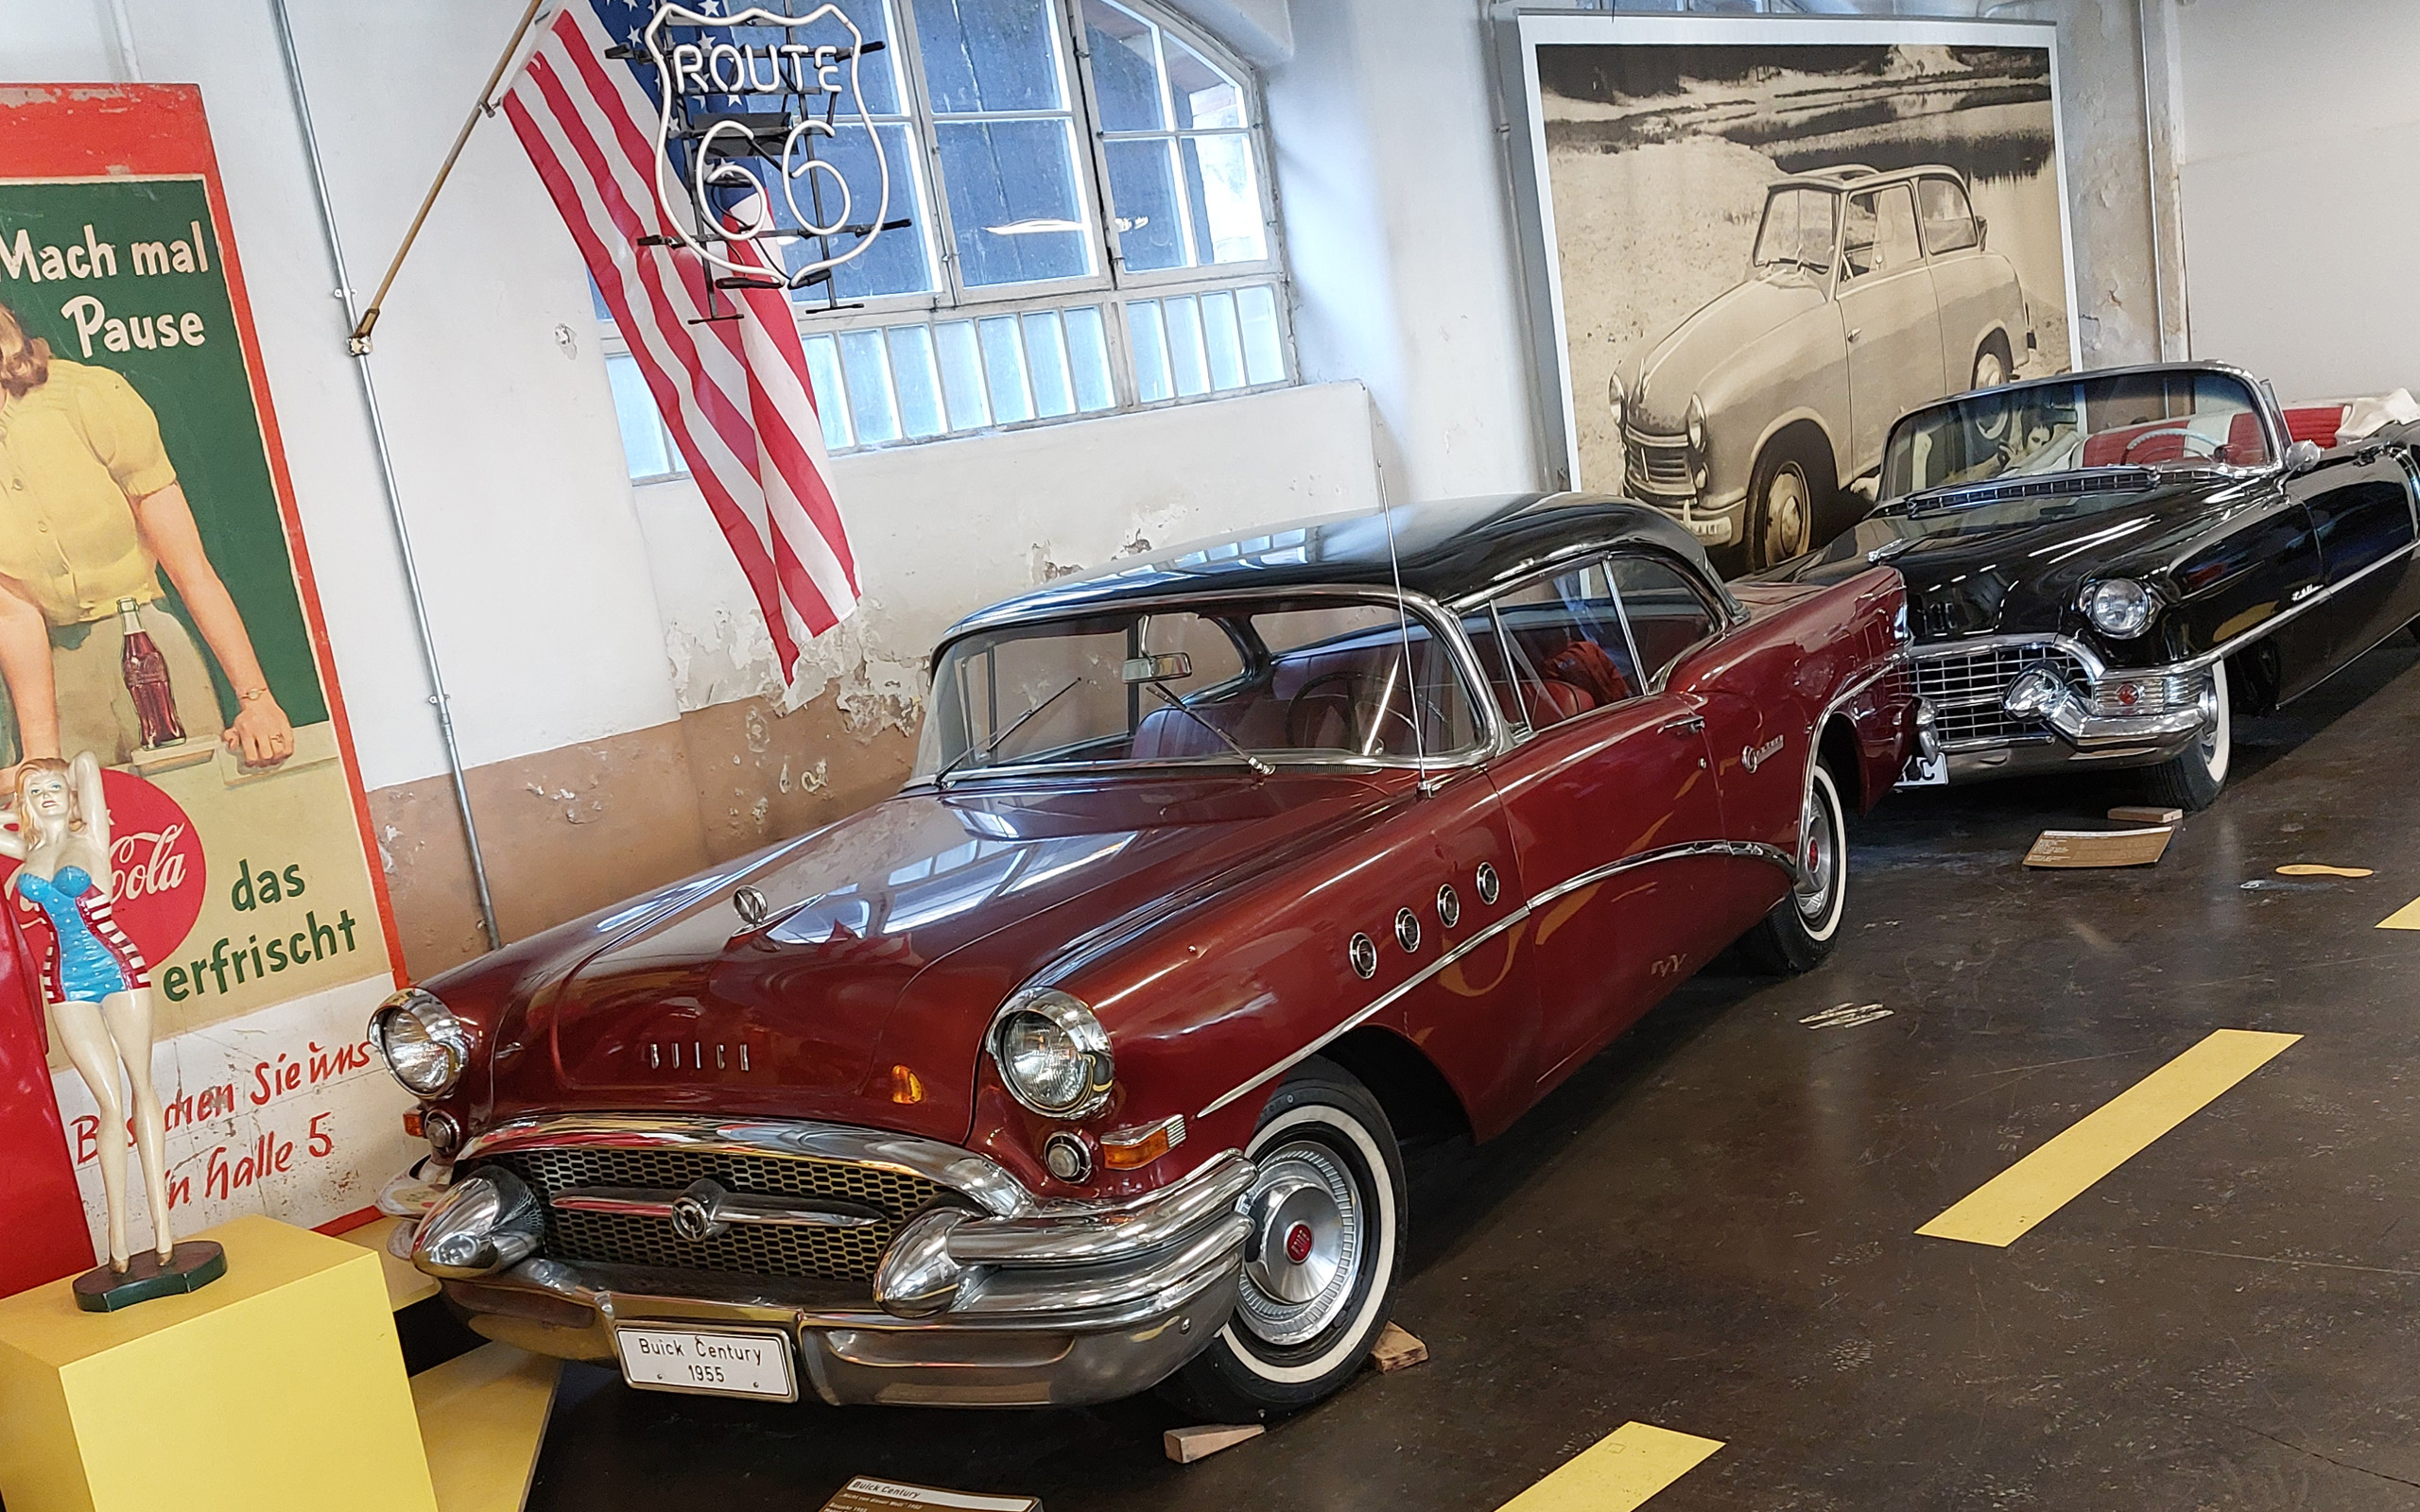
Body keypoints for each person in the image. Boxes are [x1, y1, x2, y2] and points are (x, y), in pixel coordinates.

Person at [0, 298, 293, 788]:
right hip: (55, 679)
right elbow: (14, 614)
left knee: (198, 815)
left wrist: (256, 700)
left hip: (151, 651)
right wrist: (42, 755)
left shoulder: (87, 396)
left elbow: (192, 571)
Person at [1, 753, 169, 1273]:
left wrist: (47, 775)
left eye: (55, 787)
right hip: (64, 981)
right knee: (109, 1105)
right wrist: (15, 807)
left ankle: (163, 1226)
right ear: (24, 803)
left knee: (142, 1087)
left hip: (120, 969)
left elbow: (87, 762)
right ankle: (117, 1239)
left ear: (72, 794)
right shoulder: (26, 848)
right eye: (36, 792)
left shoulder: (92, 835)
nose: (48, 795)